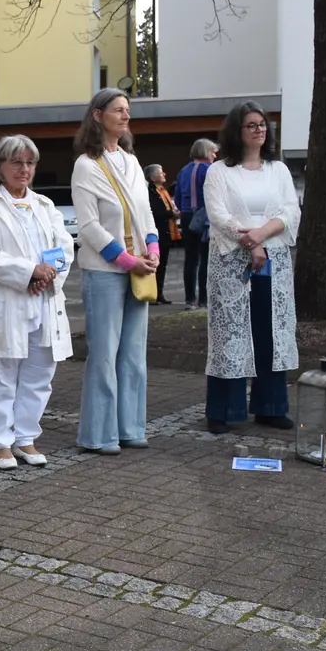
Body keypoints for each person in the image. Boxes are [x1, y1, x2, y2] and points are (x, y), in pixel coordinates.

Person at [0, 135, 75, 469]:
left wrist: (48, 276)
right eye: (16, 162)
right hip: (3, 303)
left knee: (40, 373)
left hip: (44, 301)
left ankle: (25, 437)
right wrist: (29, 273)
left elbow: (65, 248)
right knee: (1, 376)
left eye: (29, 163)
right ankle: (0, 441)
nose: (23, 169)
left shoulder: (45, 206)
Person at [202, 101, 301, 434]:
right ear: (237, 131)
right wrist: (251, 241)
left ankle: (271, 407)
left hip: (273, 260)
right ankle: (224, 410)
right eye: (252, 125)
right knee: (230, 334)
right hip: (232, 262)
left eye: (262, 125)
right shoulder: (219, 171)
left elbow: (290, 211)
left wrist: (261, 234)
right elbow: (218, 214)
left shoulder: (279, 170)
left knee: (269, 332)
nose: (259, 130)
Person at [71, 87, 160, 456]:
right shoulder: (85, 165)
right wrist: (126, 259)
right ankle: (98, 435)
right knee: (105, 355)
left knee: (134, 354)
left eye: (128, 111)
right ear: (97, 115)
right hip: (105, 272)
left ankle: (130, 428)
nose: (126, 116)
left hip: (139, 270)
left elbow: (146, 214)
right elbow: (89, 227)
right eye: (118, 110)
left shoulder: (132, 162)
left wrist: (152, 250)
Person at [173, 138, 217, 309]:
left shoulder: (183, 171)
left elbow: (177, 196)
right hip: (205, 218)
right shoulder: (210, 170)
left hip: (186, 217)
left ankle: (190, 299)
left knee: (190, 259)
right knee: (205, 259)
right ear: (205, 151)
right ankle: (204, 300)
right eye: (213, 151)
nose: (215, 155)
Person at [146, 164, 180, 304]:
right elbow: (154, 212)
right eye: (161, 173)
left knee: (163, 265)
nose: (164, 174)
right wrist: (171, 214)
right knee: (155, 265)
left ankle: (159, 294)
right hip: (157, 232)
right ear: (153, 177)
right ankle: (152, 294)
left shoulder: (162, 191)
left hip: (166, 232)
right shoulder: (150, 192)